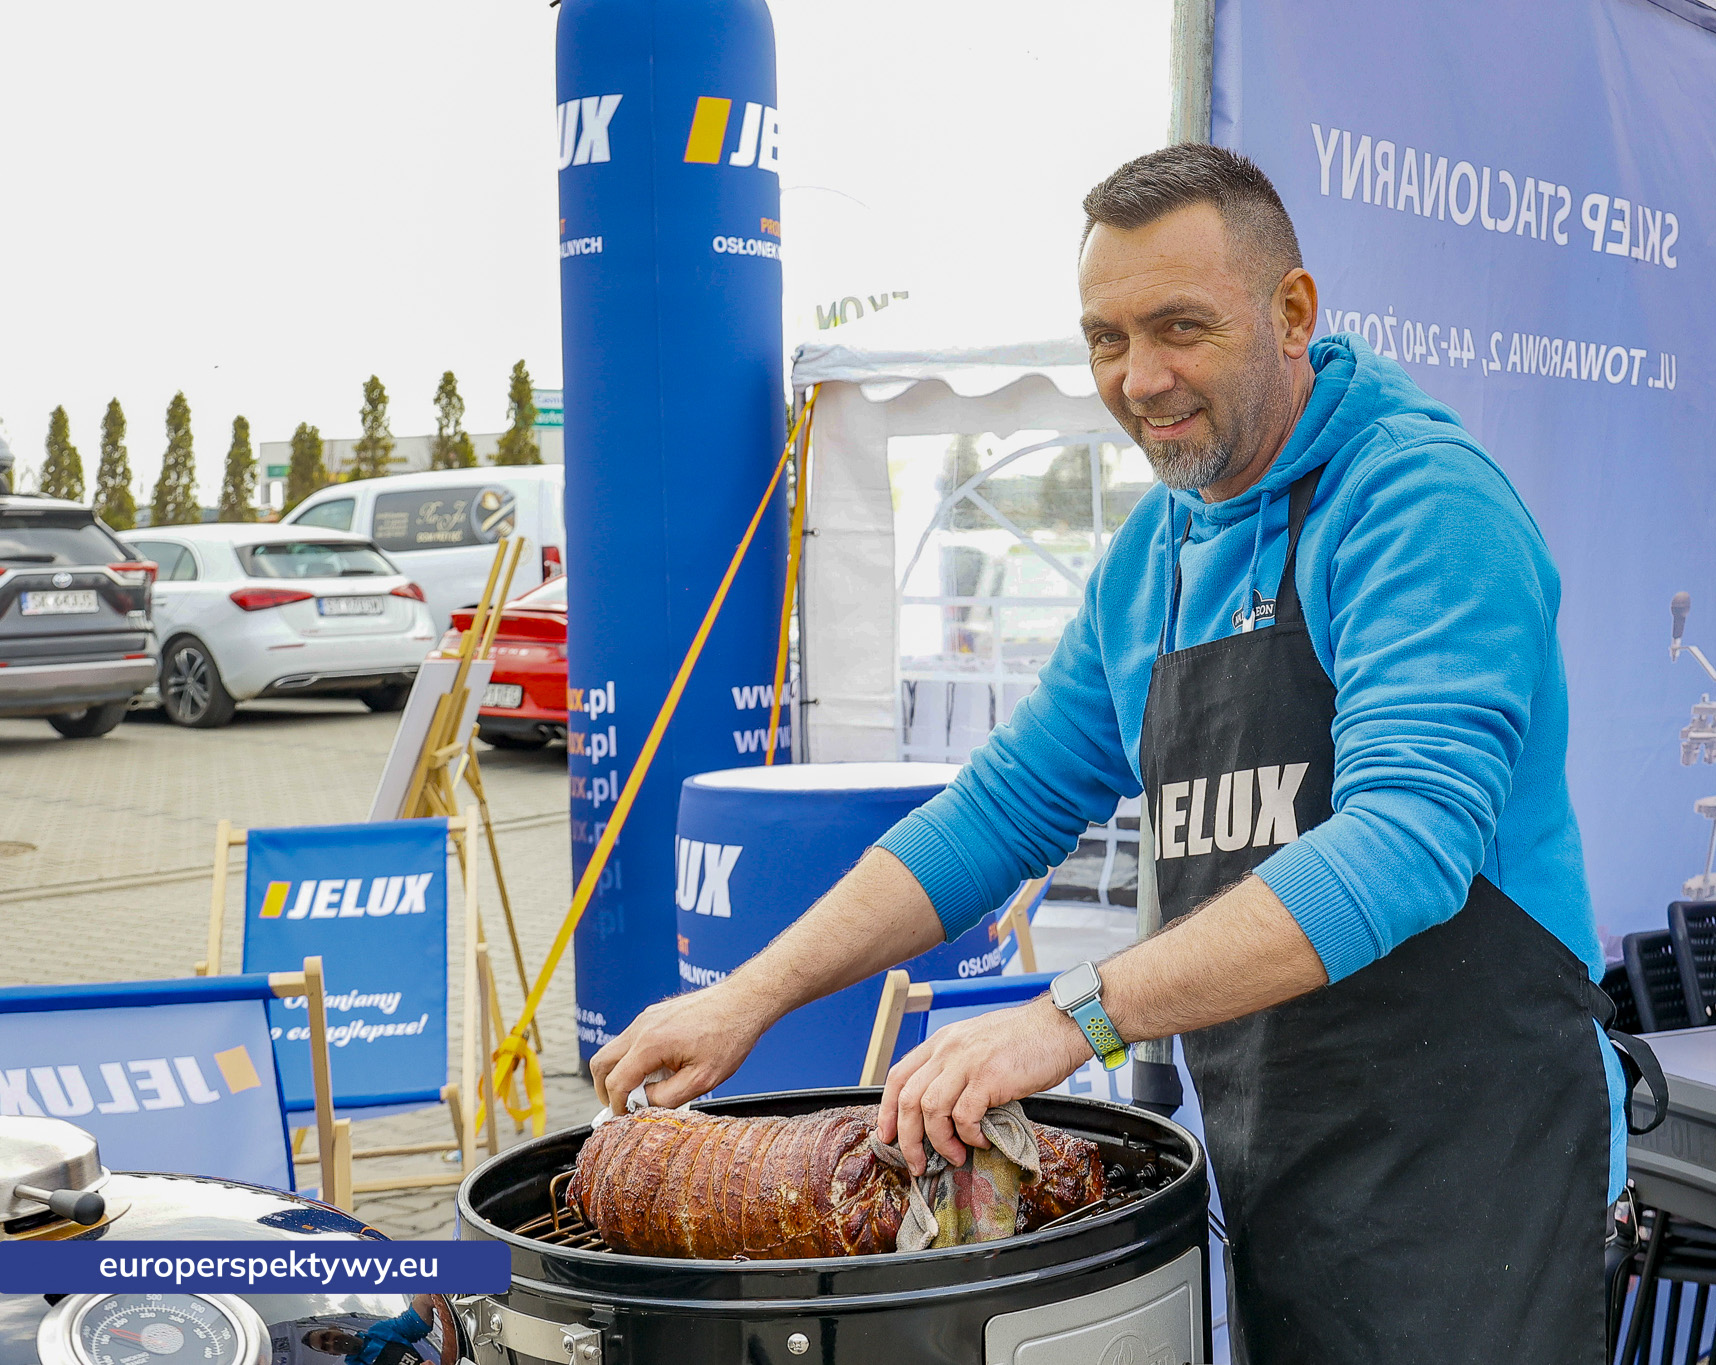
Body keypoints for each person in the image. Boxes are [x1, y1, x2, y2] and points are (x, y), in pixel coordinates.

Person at [594, 144, 1624, 1362]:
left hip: (1475, 1169)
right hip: (1282, 1151)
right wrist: (746, 997)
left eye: (1178, 328)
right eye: (1104, 338)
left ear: (1291, 312)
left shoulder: (1419, 506)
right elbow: (998, 812)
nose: (1140, 379)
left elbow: (1403, 848)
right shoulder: (1154, 557)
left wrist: (1066, 1018)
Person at [300, 1296, 451, 1365]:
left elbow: (414, 1321)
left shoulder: (380, 1332)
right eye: (326, 1346)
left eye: (327, 1336)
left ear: (335, 1329)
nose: (332, 1342)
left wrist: (427, 1298)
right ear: (332, 1353)